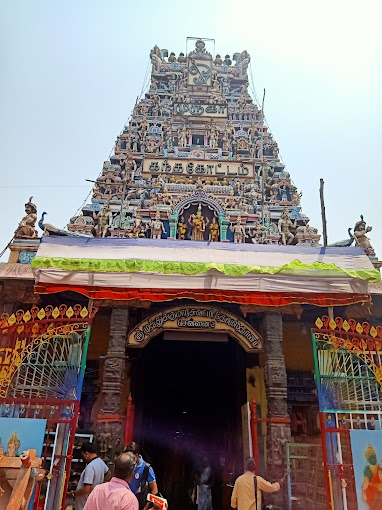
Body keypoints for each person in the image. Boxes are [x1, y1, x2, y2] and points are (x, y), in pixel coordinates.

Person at [68, 442, 110, 510]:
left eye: (83, 455)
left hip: (83, 505)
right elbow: (108, 472)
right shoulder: (100, 462)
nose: (83, 457)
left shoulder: (90, 467)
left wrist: (73, 493)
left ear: (86, 453)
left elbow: (86, 489)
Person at [124, 442, 158, 510]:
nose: (130, 460)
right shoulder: (127, 465)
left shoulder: (146, 468)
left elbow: (154, 490)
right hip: (126, 503)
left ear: (136, 455)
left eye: (132, 458)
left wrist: (145, 507)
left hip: (139, 504)